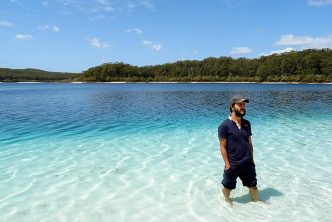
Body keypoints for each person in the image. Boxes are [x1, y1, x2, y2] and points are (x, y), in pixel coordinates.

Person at [218, 95, 260, 207]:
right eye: (240, 105)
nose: (243, 107)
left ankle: (256, 201)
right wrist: (227, 165)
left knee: (253, 186)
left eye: (244, 105)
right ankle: (227, 200)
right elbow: (222, 147)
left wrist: (252, 160)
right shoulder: (224, 126)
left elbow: (249, 143)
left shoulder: (247, 124)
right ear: (232, 106)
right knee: (228, 187)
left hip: (247, 163)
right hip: (233, 164)